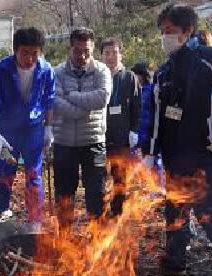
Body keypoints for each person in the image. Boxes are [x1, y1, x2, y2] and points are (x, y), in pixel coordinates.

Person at [142, 4, 212, 276]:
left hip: (209, 154)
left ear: (188, 31)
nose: (165, 37)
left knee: (210, 214)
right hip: (176, 157)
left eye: (171, 31)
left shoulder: (211, 59)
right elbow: (155, 116)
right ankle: (175, 262)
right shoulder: (164, 72)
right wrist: (150, 152)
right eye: (162, 32)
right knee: (175, 211)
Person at [0, 27, 55, 233]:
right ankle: (3, 209)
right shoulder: (0, 71)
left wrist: (48, 128)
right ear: (15, 51)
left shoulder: (46, 70)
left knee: (33, 173)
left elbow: (49, 100)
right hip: (6, 130)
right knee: (5, 170)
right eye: (24, 53)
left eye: (34, 54)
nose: (30, 59)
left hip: (33, 129)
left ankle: (34, 218)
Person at [53, 28, 111, 227]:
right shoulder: (57, 72)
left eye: (87, 50)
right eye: (78, 51)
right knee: (64, 193)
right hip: (64, 142)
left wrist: (73, 97)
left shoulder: (102, 71)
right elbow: (55, 102)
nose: (82, 55)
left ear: (93, 48)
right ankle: (64, 237)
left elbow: (102, 97)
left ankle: (98, 237)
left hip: (93, 141)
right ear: (71, 49)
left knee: (96, 192)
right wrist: (83, 109)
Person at [100, 37, 141, 216]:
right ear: (101, 55)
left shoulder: (129, 77)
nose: (110, 57)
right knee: (98, 177)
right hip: (99, 137)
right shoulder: (97, 75)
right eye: (107, 53)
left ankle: (117, 212)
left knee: (120, 178)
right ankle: (99, 211)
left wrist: (134, 130)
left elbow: (137, 105)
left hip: (122, 137)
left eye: (114, 53)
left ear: (120, 54)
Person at [133, 61, 165, 192]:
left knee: (153, 163)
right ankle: (150, 190)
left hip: (149, 135)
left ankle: (158, 191)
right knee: (141, 166)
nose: (134, 78)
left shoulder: (150, 90)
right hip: (140, 135)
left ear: (142, 75)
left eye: (136, 74)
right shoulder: (137, 91)